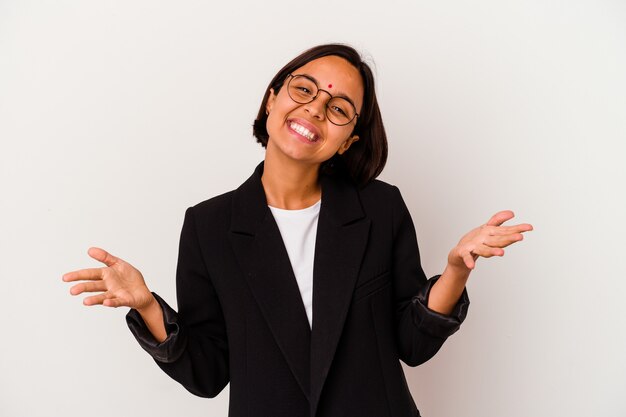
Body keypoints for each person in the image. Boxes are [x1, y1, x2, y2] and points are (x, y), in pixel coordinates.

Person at [63, 44, 533, 417]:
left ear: (348, 141)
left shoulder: (379, 206)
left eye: (338, 108)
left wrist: (455, 271)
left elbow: (411, 344)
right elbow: (207, 374)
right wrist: (147, 305)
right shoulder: (208, 225)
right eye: (304, 90)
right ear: (272, 98)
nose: (314, 109)